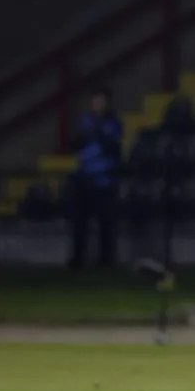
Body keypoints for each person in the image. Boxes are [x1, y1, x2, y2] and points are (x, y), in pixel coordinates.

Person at [68, 88, 122, 268]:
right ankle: (77, 259)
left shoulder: (113, 122)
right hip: (85, 179)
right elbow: (77, 144)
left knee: (106, 223)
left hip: (105, 181)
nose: (98, 104)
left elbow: (113, 146)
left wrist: (98, 133)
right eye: (95, 100)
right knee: (80, 223)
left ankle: (106, 260)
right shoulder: (85, 121)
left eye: (101, 100)